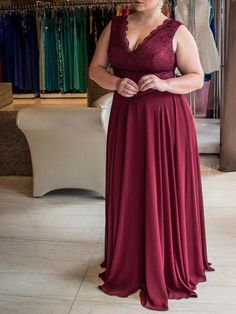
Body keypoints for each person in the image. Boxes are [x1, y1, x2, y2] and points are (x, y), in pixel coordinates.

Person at [89, 0, 215, 311]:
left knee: (164, 191)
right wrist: (117, 83)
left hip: (165, 122)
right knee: (130, 188)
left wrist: (164, 82)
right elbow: (95, 70)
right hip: (127, 120)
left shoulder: (177, 31)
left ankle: (169, 259)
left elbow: (197, 77)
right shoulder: (114, 26)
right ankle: (131, 260)